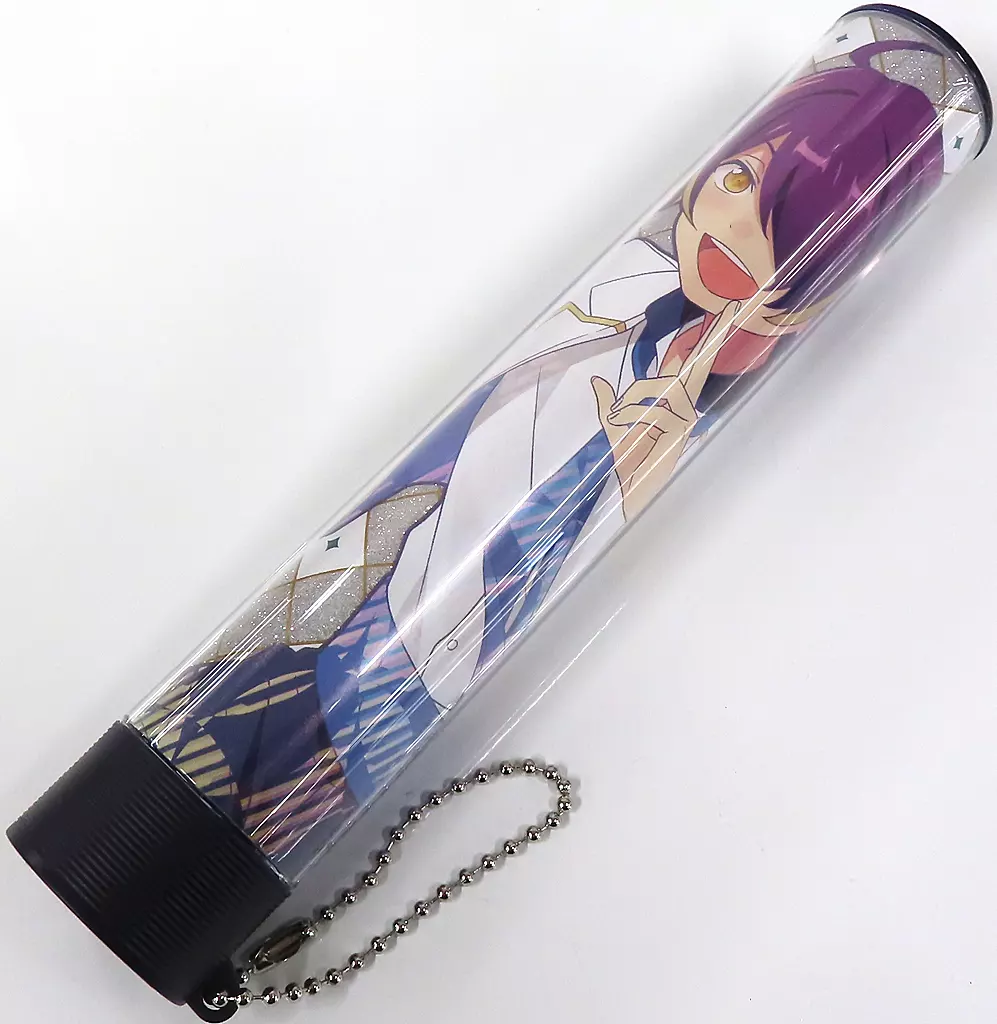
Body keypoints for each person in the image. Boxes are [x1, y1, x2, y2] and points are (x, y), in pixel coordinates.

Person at [136, 42, 945, 867]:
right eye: (738, 178)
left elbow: (510, 569)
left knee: (242, 788)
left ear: (832, 256)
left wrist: (625, 477)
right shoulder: (625, 299)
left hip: (377, 703)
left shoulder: (684, 404)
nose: (736, 227)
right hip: (317, 626)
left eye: (788, 223)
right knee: (198, 753)